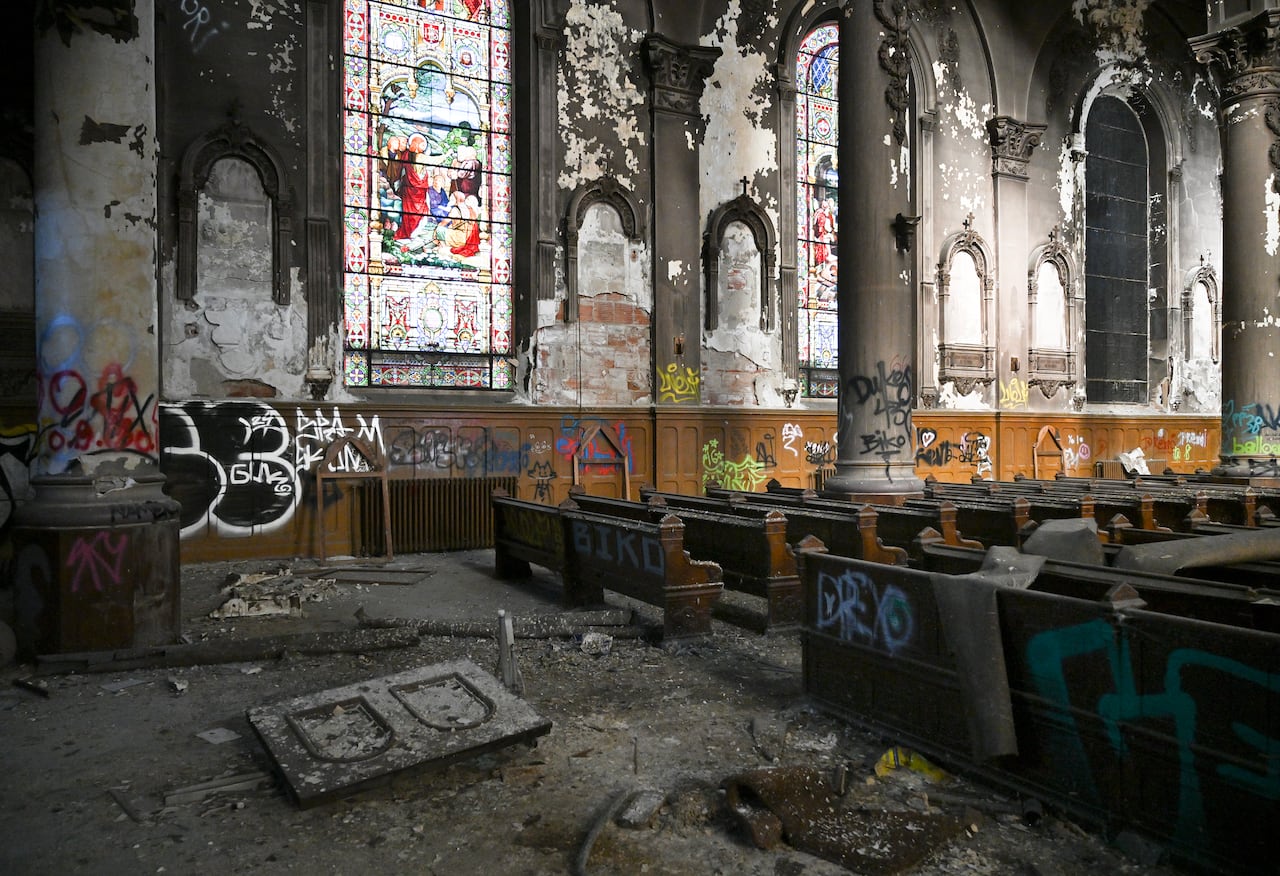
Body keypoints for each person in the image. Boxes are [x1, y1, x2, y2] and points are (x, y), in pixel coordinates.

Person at [395, 133, 431, 240]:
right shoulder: (407, 155)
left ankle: (416, 231)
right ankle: (410, 232)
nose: (423, 147)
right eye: (421, 144)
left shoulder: (420, 157)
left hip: (421, 190)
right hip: (409, 189)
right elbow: (401, 171)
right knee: (410, 212)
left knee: (423, 210)